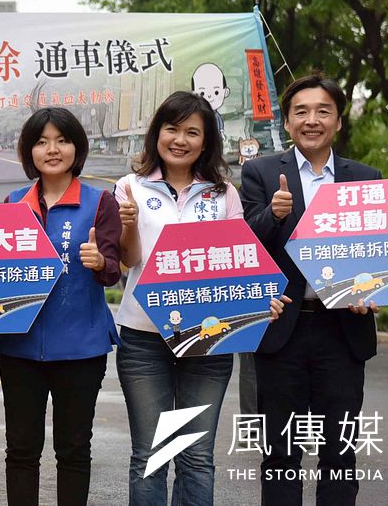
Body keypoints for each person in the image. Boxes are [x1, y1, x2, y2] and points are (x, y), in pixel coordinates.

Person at [113, 91, 288, 505]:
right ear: (157, 133)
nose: (181, 139)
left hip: (210, 339)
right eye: (172, 129)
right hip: (143, 338)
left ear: (206, 141)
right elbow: (128, 261)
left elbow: (240, 261)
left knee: (196, 456)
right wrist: (129, 225)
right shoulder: (129, 187)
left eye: (193, 132)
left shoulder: (224, 193)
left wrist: (263, 300)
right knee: (152, 454)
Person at [240, 73, 380, 505]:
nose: (312, 120)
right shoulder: (261, 173)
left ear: (338, 122)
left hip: (343, 333)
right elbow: (245, 246)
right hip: (282, 329)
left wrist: (373, 289)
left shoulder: (365, 177)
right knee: (280, 453)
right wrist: (273, 214)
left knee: (340, 451)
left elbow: (375, 254)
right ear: (287, 122)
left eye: (323, 111)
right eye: (301, 112)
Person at [0, 107, 122, 506]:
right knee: (21, 449)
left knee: (73, 451)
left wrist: (101, 262)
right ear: (29, 151)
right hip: (20, 347)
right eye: (41, 141)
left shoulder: (100, 201)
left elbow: (115, 270)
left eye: (62, 140)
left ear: (76, 147)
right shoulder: (12, 203)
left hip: (81, 347)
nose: (53, 149)